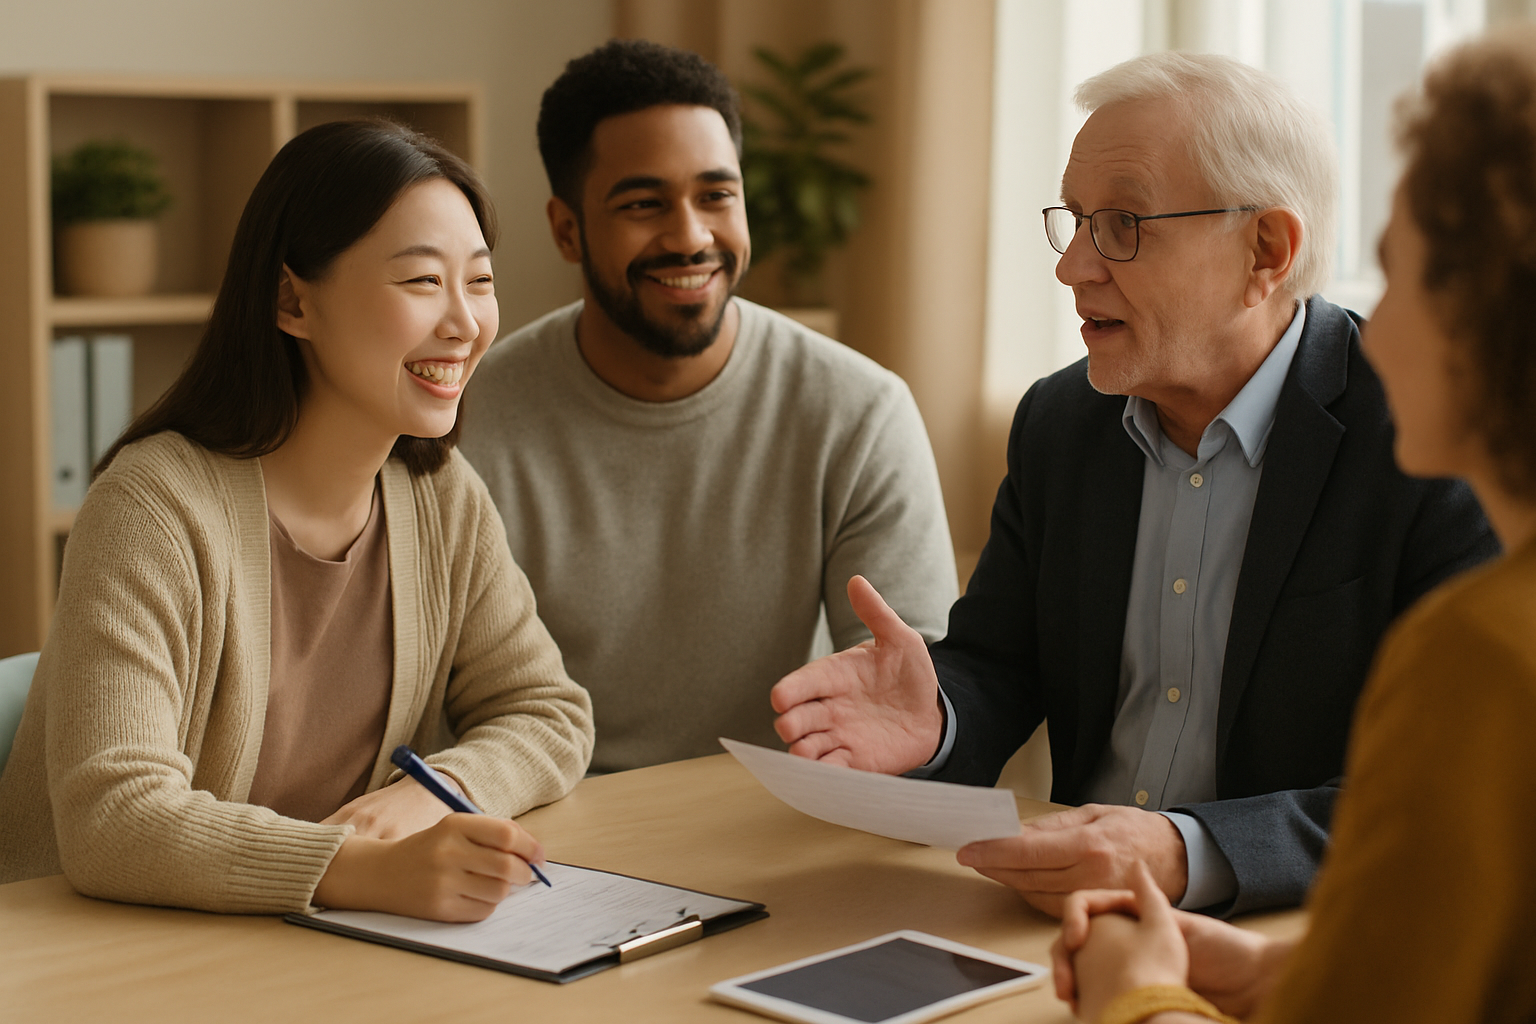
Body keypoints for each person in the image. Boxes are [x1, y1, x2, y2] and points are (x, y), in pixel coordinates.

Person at [771, 51, 1498, 918]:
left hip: (1304, 940)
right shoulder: (1060, 423)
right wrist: (939, 717)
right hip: (1064, 925)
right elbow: (1000, 665)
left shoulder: (1428, 437)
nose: (1073, 267)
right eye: (1075, 222)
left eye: (1122, 224)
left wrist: (1189, 852)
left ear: (1267, 249)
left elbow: (1457, 794)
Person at [1050, 30, 1536, 1024]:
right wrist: (1281, 979)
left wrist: (1132, 990)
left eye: (1400, 275)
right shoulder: (1063, 425)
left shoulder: (1489, 654)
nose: (1374, 328)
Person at [0, 120, 595, 922]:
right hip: (111, 956)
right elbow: (115, 818)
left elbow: (548, 711)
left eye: (480, 282)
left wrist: (440, 795)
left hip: (320, 945)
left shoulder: (439, 493)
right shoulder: (153, 506)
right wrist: (360, 870)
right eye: (421, 282)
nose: (464, 322)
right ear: (291, 301)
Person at [458, 40, 957, 774]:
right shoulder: (467, 422)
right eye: (643, 204)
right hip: (551, 830)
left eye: (717, 196)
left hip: (777, 822)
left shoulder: (858, 410)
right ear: (567, 228)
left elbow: (913, 690)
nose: (691, 237)